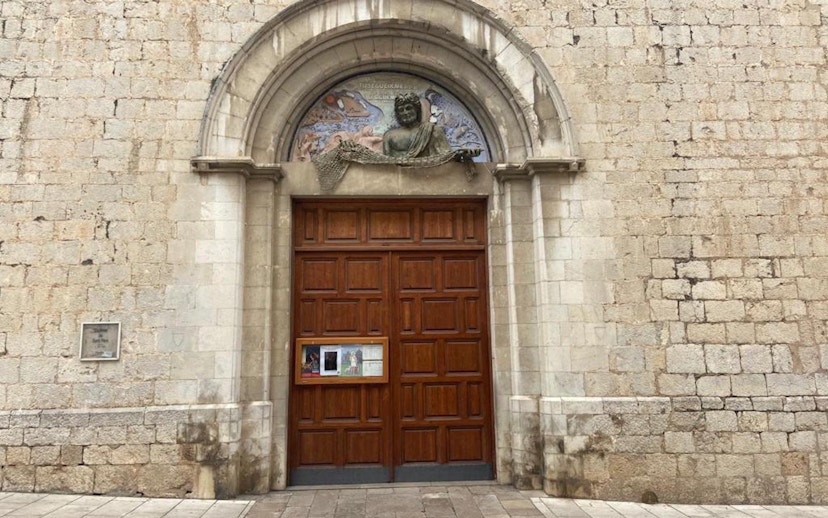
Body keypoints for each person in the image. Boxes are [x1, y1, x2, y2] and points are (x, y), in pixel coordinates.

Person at [382, 92, 452, 158]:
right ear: (397, 114)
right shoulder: (389, 136)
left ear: (417, 110)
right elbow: (387, 164)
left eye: (408, 108)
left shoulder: (432, 131)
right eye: (401, 110)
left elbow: (446, 158)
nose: (405, 113)